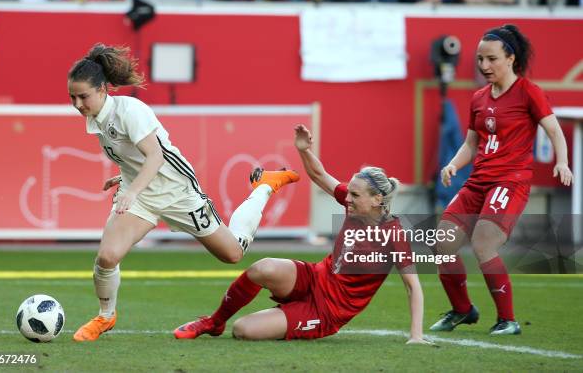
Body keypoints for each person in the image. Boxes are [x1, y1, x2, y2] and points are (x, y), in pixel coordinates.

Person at [68, 43, 299, 342]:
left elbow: (156, 157)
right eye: (72, 97)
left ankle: (264, 186)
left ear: (102, 90)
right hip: (143, 195)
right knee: (107, 257)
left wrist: (132, 190)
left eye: (83, 96)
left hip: (177, 190)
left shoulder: (130, 111)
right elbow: (134, 156)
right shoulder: (95, 117)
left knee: (233, 253)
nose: (77, 103)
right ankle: (105, 316)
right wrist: (124, 179)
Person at [173, 124, 429, 344]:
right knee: (263, 268)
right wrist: (303, 149)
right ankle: (214, 322)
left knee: (243, 330)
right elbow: (319, 175)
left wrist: (416, 335)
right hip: (316, 277)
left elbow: (413, 287)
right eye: (348, 192)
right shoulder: (354, 208)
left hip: (328, 310)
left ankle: (289, 316)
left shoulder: (393, 235)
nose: (346, 198)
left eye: (355, 195)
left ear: (377, 200)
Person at [430, 24, 572, 335]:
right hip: (477, 182)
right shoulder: (479, 97)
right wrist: (453, 165)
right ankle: (463, 310)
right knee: (441, 242)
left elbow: (554, 131)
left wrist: (562, 162)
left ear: (510, 58)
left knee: (484, 242)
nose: (484, 66)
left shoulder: (529, 92)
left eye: (491, 59)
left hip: (510, 182)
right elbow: (471, 143)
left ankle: (508, 320)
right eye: (480, 59)